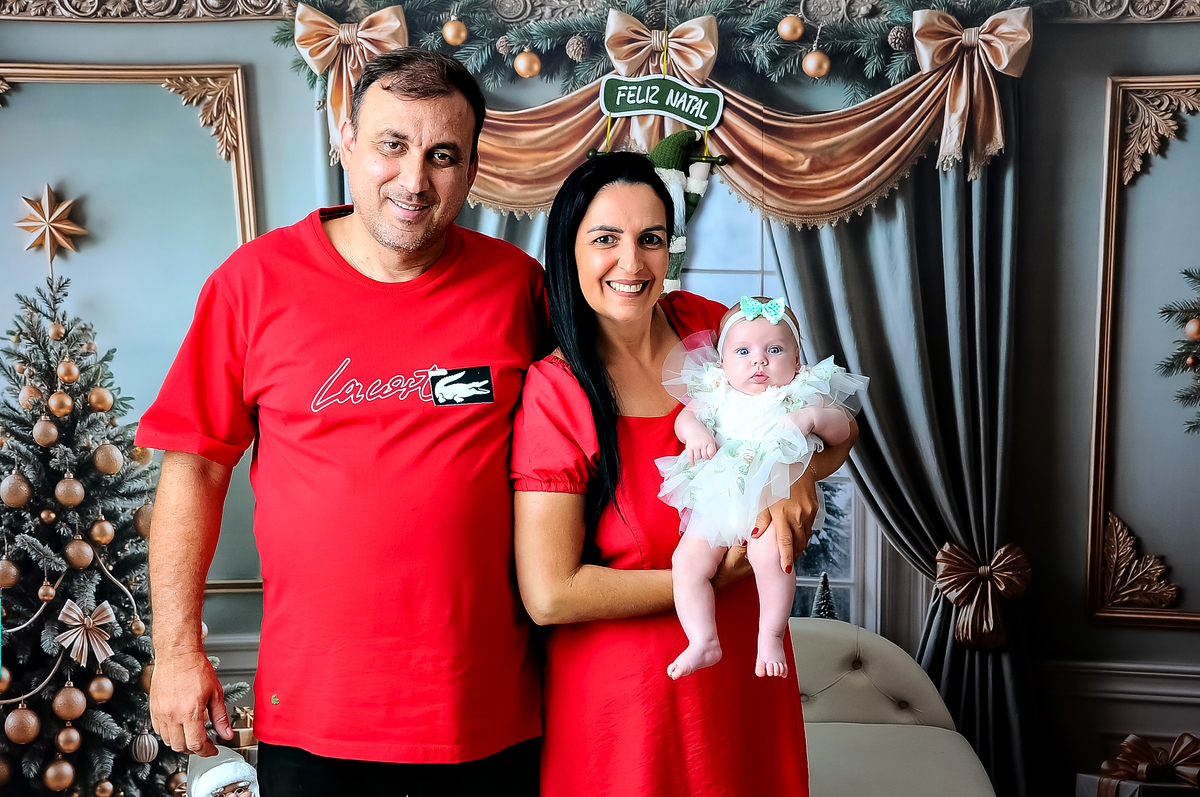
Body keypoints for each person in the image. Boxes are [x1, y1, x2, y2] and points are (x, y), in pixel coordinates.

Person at [137, 49, 544, 796]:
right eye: (392, 144)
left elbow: (608, 417)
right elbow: (193, 468)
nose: (414, 180)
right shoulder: (252, 284)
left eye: (442, 155)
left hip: (487, 714)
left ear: (472, 167)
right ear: (346, 141)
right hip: (317, 716)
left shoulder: (519, 287)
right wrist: (176, 650)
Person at [510, 152, 858, 797]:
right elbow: (551, 594)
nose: (632, 263)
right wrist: (713, 577)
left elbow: (827, 422)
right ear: (568, 251)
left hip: (746, 683)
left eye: (651, 239)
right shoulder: (556, 391)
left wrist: (793, 477)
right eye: (605, 239)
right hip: (629, 707)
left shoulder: (706, 324)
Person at [657, 296, 867, 680]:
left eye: (774, 350)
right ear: (722, 363)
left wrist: (812, 418)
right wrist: (695, 433)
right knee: (687, 563)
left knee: (770, 555)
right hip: (721, 496)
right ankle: (702, 639)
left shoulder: (800, 393)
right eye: (743, 352)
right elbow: (684, 419)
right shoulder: (716, 392)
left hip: (772, 498)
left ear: (797, 361)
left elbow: (841, 429)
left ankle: (770, 635)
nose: (759, 361)